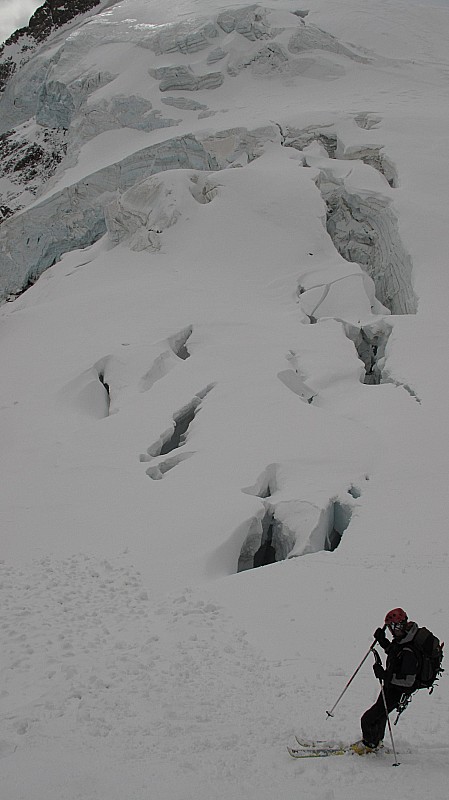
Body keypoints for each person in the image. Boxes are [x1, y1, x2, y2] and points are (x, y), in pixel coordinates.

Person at [352, 608, 419, 755]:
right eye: (389, 628)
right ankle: (375, 742)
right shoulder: (404, 639)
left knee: (368, 719)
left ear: (399, 625)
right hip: (392, 688)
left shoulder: (409, 650)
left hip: (397, 691)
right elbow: (395, 654)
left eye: (392, 627)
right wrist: (383, 642)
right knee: (380, 714)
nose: (391, 630)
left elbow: (408, 681)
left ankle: (369, 744)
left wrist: (384, 675)